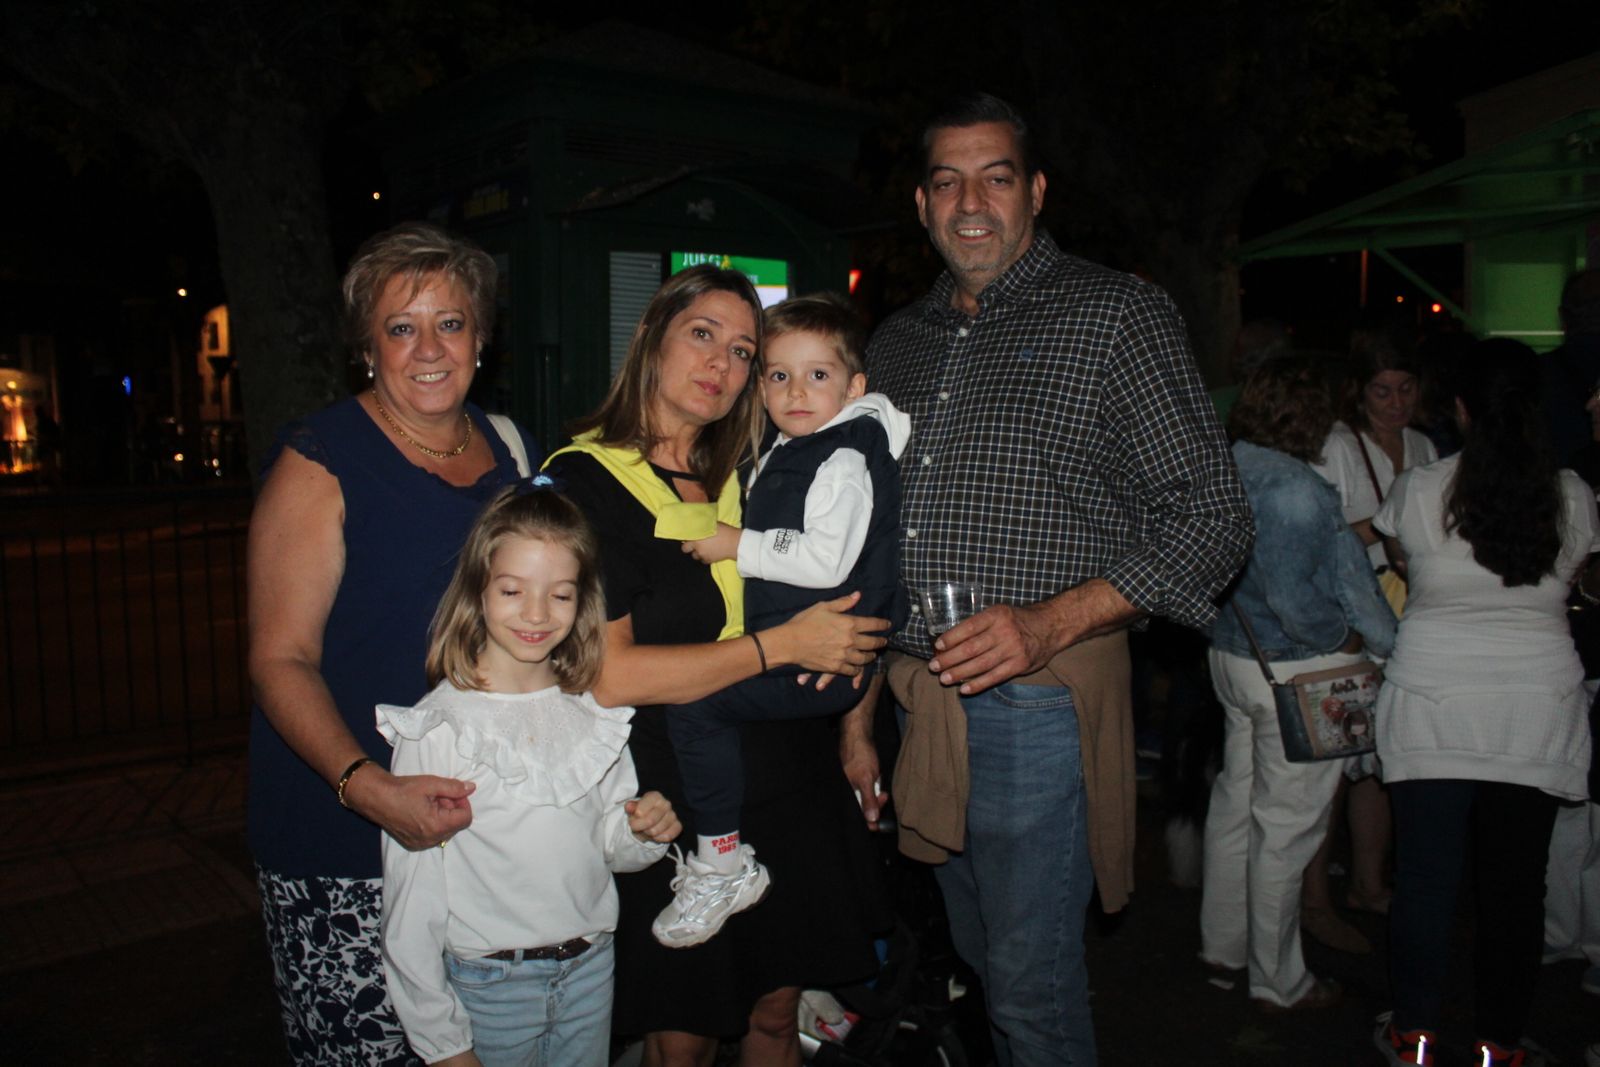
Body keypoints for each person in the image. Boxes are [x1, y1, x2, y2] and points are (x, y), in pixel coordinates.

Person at [863, 92, 1253, 1066]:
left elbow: (1214, 518)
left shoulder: (1115, 313)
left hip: (1036, 701)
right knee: (978, 959)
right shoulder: (895, 341)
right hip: (917, 700)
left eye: (995, 178)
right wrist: (854, 714)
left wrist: (1048, 623)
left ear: (1034, 191)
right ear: (921, 203)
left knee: (1028, 988)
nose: (970, 203)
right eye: (947, 181)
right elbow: (857, 540)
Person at [543, 265, 892, 1065]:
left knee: (776, 1016)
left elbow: (856, 591)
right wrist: (781, 645)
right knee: (687, 1037)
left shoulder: (759, 467)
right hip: (680, 797)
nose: (721, 364)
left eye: (742, 351)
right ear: (650, 337)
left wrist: (855, 728)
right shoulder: (584, 483)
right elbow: (612, 675)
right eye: (702, 334)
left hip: (790, 775)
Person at [247, 221, 544, 1063]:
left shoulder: (511, 447)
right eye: (401, 327)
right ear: (367, 348)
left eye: (450, 322)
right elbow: (279, 658)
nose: (430, 348)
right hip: (347, 839)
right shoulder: (321, 460)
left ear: (480, 338)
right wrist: (366, 786)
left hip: (481, 837)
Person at [380, 485, 681, 1066]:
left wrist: (640, 830)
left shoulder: (592, 714)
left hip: (591, 971)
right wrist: (443, 1045)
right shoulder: (440, 728)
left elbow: (608, 848)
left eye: (560, 594)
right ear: (478, 590)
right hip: (489, 989)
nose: (537, 614)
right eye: (513, 590)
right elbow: (411, 900)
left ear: (582, 599)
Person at [1370, 340, 1597, 1067]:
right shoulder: (1572, 494)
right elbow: (1573, 574)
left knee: (1426, 880)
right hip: (1535, 705)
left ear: (1461, 410)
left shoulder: (1420, 487)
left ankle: (1414, 1037)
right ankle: (1499, 1045)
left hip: (1433, 699)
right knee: (1515, 888)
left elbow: (1404, 562)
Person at [659, 292, 910, 948]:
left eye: (817, 374)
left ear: (854, 387)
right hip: (806, 652)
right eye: (778, 374)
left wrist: (734, 544)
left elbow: (826, 561)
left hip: (820, 658)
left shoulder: (843, 455)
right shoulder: (795, 445)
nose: (796, 391)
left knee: (694, 705)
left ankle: (721, 861)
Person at [1201, 357, 1397, 1013]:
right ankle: (1278, 981)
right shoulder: (1298, 488)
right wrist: (1348, 639)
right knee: (1285, 830)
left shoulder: (1223, 466)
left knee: (1236, 807)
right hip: (1293, 669)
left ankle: (1223, 946)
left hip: (1232, 658)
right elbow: (1300, 601)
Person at [1301, 322, 1439, 955]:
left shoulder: (1425, 445)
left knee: (1382, 759)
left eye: (1406, 388)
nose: (1396, 402)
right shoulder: (1336, 445)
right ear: (1359, 392)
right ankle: (1314, 901)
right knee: (1333, 760)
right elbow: (1316, 539)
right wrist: (1383, 528)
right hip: (1351, 618)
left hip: (1414, 614)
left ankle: (1367, 883)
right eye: (1383, 391)